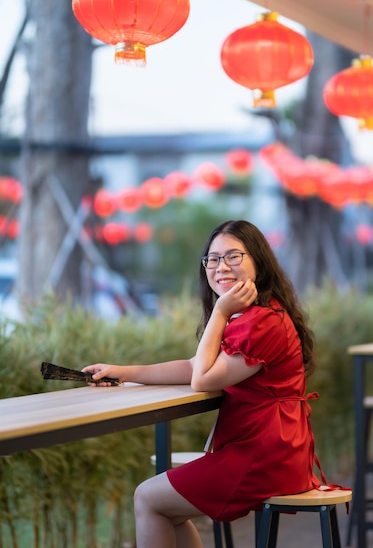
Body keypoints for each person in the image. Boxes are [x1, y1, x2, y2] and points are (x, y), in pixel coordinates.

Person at [83, 219, 323, 548]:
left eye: (233, 257)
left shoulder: (260, 323)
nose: (221, 267)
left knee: (148, 499)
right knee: (163, 507)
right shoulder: (258, 316)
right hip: (272, 448)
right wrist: (122, 372)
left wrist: (220, 312)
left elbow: (202, 379)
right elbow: (195, 366)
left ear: (258, 261)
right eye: (213, 259)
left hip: (264, 455)